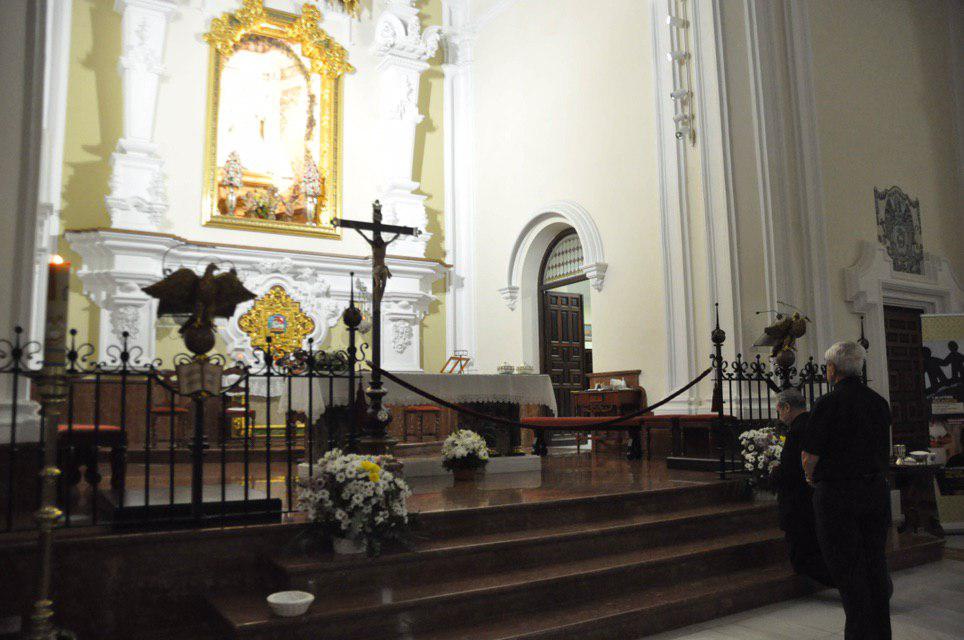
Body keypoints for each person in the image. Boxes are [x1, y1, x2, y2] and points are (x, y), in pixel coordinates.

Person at [802, 341, 893, 640]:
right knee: (874, 564)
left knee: (848, 570)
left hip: (838, 495)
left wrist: (810, 478)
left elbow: (810, 456)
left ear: (832, 369)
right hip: (875, 491)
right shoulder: (879, 402)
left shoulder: (828, 404)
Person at [771, 388, 834, 587]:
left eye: (779, 409)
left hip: (797, 498)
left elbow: (792, 469)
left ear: (787, 407)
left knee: (802, 548)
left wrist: (773, 475)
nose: (779, 414)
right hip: (815, 492)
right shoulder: (814, 423)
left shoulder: (797, 430)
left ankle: (839, 581)